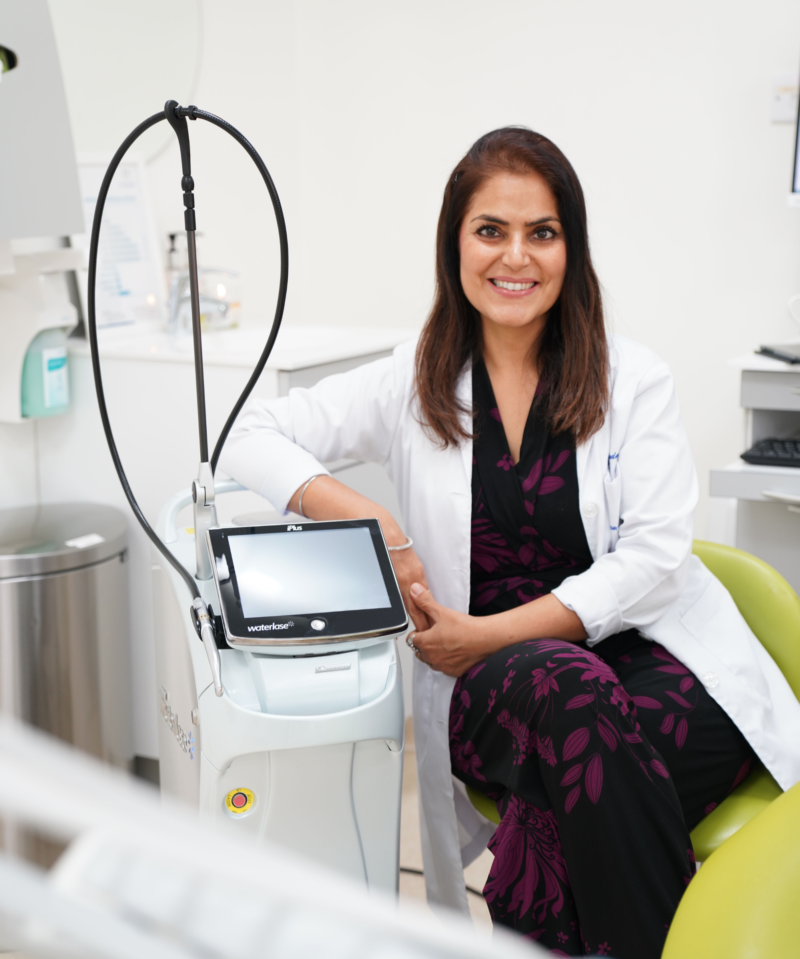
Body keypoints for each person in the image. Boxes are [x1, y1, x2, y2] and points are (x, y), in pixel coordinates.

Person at [219, 128, 800, 958]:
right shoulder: (410, 377)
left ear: (572, 247)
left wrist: (486, 632)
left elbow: (657, 556)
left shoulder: (632, 378)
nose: (515, 256)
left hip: (654, 660)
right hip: (496, 693)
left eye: (542, 232)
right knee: (569, 688)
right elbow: (246, 431)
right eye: (490, 229)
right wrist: (368, 517)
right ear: (455, 243)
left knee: (554, 820)